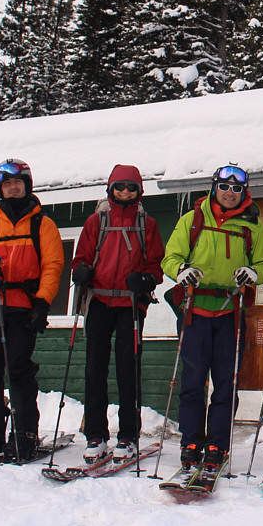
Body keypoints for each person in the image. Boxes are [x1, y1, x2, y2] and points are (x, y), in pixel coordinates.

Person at [161, 164, 263, 475]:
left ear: (244, 192)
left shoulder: (253, 227)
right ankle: (190, 443)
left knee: (226, 382)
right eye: (224, 187)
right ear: (214, 187)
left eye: (237, 189)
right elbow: (170, 257)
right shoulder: (193, 220)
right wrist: (181, 271)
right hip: (194, 309)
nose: (230, 193)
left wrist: (254, 273)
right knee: (193, 381)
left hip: (230, 311)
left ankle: (216, 446)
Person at [0, 159, 64, 461]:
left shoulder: (42, 224)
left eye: (18, 183)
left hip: (24, 310)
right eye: (7, 184)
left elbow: (53, 265)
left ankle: (24, 434)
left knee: (19, 372)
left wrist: (43, 302)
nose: (13, 187)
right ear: (0, 189)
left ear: (27, 186)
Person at [70, 164, 164, 462]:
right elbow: (80, 258)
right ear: (110, 189)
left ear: (139, 190)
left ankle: (128, 436)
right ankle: (95, 435)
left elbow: (156, 265)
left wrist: (147, 280)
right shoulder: (95, 221)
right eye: (120, 187)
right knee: (94, 370)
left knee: (128, 371)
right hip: (98, 302)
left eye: (131, 187)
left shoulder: (146, 224)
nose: (125, 192)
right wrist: (80, 272)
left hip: (130, 305)